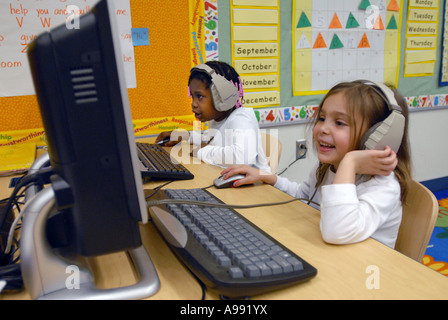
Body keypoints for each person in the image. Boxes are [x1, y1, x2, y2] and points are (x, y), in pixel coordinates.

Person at [221, 80, 412, 248]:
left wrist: (350, 162)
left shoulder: (383, 186)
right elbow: (303, 196)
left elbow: (337, 231)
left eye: (339, 123)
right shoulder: (328, 169)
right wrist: (265, 176)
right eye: (321, 118)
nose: (322, 129)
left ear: (377, 137)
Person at [156, 61, 270, 171]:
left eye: (199, 96)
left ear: (222, 96)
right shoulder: (218, 119)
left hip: (259, 188)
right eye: (193, 97)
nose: (193, 104)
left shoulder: (241, 118)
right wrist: (185, 136)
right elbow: (211, 139)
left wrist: (201, 152)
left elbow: (243, 158)